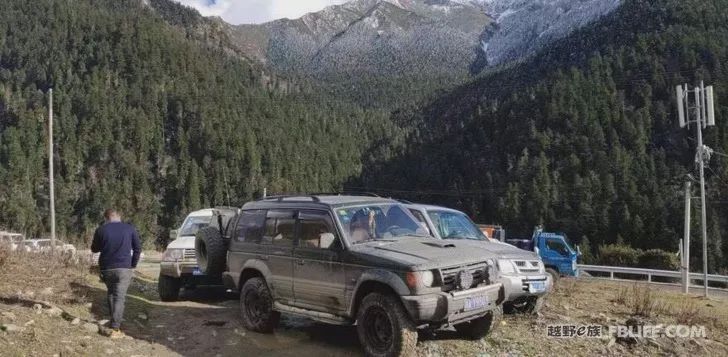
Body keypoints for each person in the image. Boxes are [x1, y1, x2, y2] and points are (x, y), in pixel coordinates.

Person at [91, 209, 142, 338]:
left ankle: (113, 321)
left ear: (106, 218)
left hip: (106, 268)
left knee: (111, 293)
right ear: (119, 216)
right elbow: (138, 248)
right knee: (119, 297)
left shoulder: (101, 230)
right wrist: (133, 264)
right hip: (124, 268)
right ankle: (115, 327)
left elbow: (94, 249)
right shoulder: (129, 228)